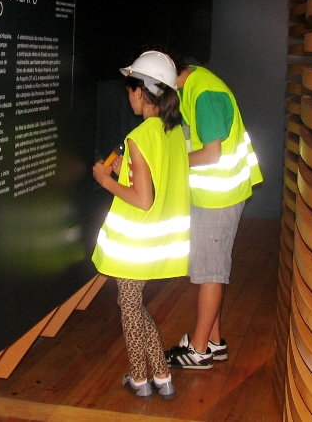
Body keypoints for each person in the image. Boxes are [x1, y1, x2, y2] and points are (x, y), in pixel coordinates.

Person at [91, 51, 191, 400]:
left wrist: (106, 180)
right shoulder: (172, 132)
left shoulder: (139, 137)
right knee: (131, 304)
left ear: (141, 92)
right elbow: (154, 181)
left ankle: (142, 377)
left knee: (129, 306)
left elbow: (142, 199)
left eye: (129, 88)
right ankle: (160, 376)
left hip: (136, 240)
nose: (128, 95)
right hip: (158, 239)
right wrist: (126, 173)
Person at [165, 63, 262, 369]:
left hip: (219, 197)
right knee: (211, 269)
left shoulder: (203, 93)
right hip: (216, 195)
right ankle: (213, 342)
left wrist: (172, 164)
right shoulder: (193, 84)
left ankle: (199, 350)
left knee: (210, 273)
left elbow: (211, 154)